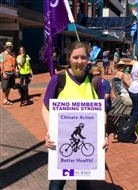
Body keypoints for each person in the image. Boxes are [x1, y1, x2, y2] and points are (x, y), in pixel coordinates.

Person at [42, 41, 109, 190]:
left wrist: (104, 135)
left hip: (89, 141)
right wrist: (49, 132)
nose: (79, 61)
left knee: (84, 183)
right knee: (57, 183)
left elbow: (102, 111)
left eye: (83, 57)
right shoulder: (58, 80)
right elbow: (45, 108)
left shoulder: (95, 82)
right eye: (75, 57)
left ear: (88, 59)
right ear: (68, 58)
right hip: (60, 140)